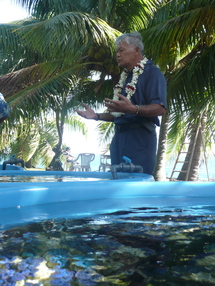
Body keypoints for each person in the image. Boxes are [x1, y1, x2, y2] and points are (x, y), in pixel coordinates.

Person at [76, 32, 166, 175]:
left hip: (139, 138)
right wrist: (96, 116)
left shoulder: (152, 73)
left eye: (121, 50)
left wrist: (133, 109)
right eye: (117, 51)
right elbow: (121, 113)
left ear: (136, 50)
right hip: (119, 137)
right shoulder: (125, 77)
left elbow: (160, 108)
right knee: (117, 181)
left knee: (135, 185)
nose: (117, 55)